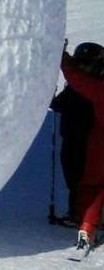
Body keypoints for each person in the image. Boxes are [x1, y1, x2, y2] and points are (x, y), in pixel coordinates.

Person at [59, 40, 104, 250]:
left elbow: (79, 80)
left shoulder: (98, 88)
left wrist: (63, 60)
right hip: (94, 144)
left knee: (90, 185)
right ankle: (87, 222)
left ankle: (85, 223)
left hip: (96, 147)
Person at [50, 43, 99, 222]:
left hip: (79, 140)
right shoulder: (89, 84)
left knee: (78, 179)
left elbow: (57, 105)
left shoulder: (82, 86)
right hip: (84, 139)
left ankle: (80, 214)